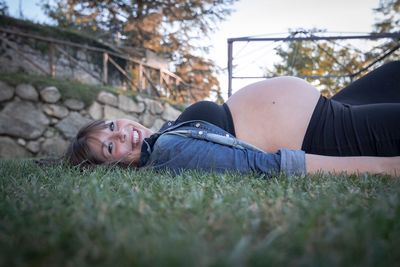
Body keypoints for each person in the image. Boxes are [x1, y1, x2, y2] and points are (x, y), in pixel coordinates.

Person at [65, 61, 400, 176]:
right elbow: (268, 166)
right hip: (330, 134)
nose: (121, 134)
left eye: (111, 126)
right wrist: (386, 168)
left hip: (331, 107)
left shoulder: (165, 134)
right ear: (115, 166)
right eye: (110, 147)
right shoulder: (168, 152)